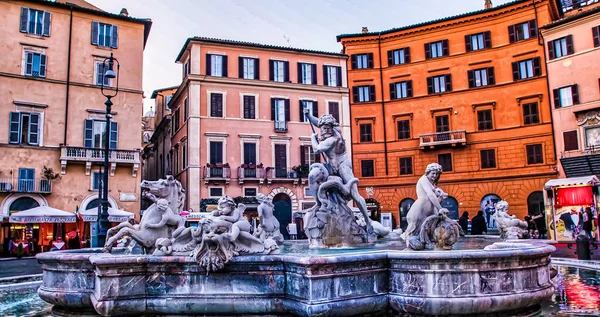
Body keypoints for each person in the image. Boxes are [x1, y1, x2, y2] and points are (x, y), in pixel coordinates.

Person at [305, 109, 373, 233]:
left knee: (355, 195)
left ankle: (368, 222)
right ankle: (319, 203)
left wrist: (312, 138)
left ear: (332, 128)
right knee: (312, 176)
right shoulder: (331, 130)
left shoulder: (332, 139)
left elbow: (317, 149)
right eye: (322, 129)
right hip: (331, 167)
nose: (323, 131)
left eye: (326, 129)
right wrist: (309, 116)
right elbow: (319, 123)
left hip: (343, 166)